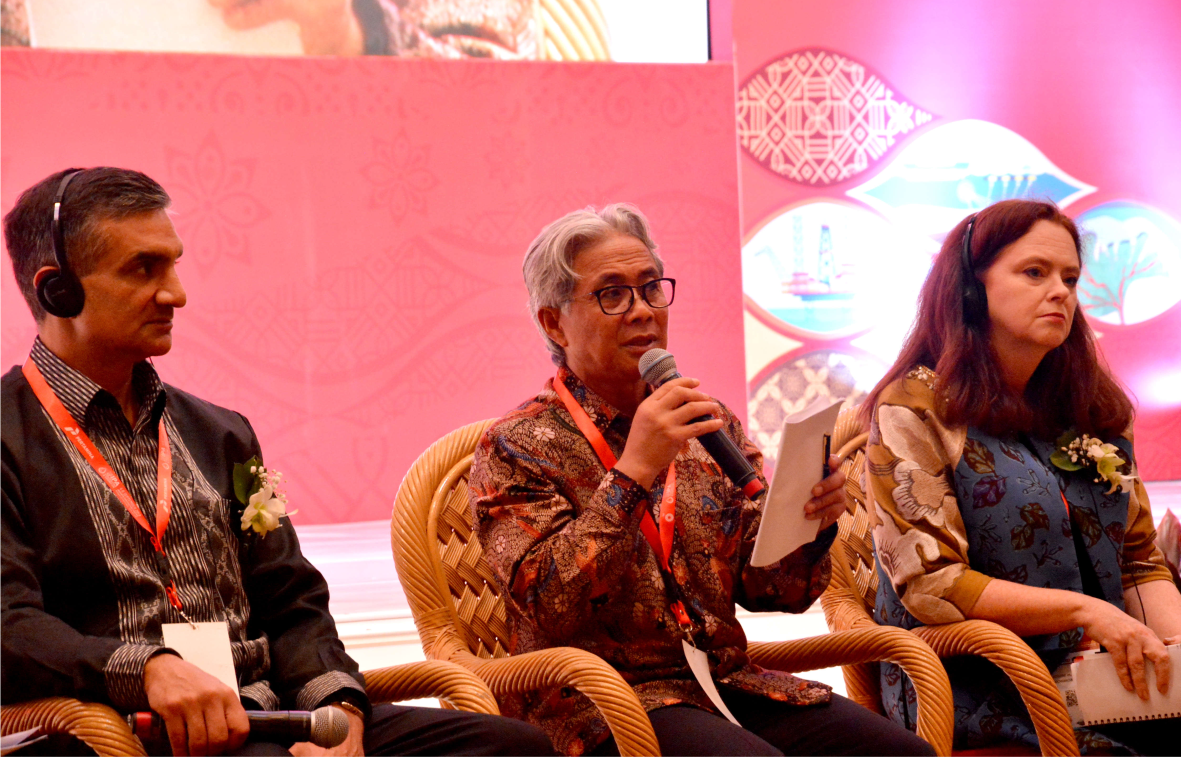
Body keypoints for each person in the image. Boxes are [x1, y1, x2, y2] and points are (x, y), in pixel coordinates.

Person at [0, 167, 557, 757]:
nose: (176, 294)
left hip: (272, 716)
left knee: (511, 748)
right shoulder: (10, 438)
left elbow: (293, 600)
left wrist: (337, 711)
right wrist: (149, 669)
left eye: (173, 265)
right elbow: (9, 624)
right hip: (131, 734)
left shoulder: (220, 432)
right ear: (57, 290)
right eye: (144, 268)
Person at [468, 203, 936, 757]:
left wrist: (809, 522)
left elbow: (774, 591)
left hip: (728, 683)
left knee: (906, 755)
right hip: (602, 709)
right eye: (612, 294)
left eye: (651, 288)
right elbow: (550, 604)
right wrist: (633, 472)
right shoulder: (516, 446)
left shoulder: (707, 423)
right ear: (553, 323)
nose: (642, 311)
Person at [863, 199, 1181, 756]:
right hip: (975, 680)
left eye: (1070, 278)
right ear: (972, 289)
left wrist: (1175, 649)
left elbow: (1137, 561)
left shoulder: (1094, 407)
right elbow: (934, 585)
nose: (1060, 292)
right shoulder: (915, 407)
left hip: (1104, 672)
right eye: (1035, 272)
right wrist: (1088, 611)